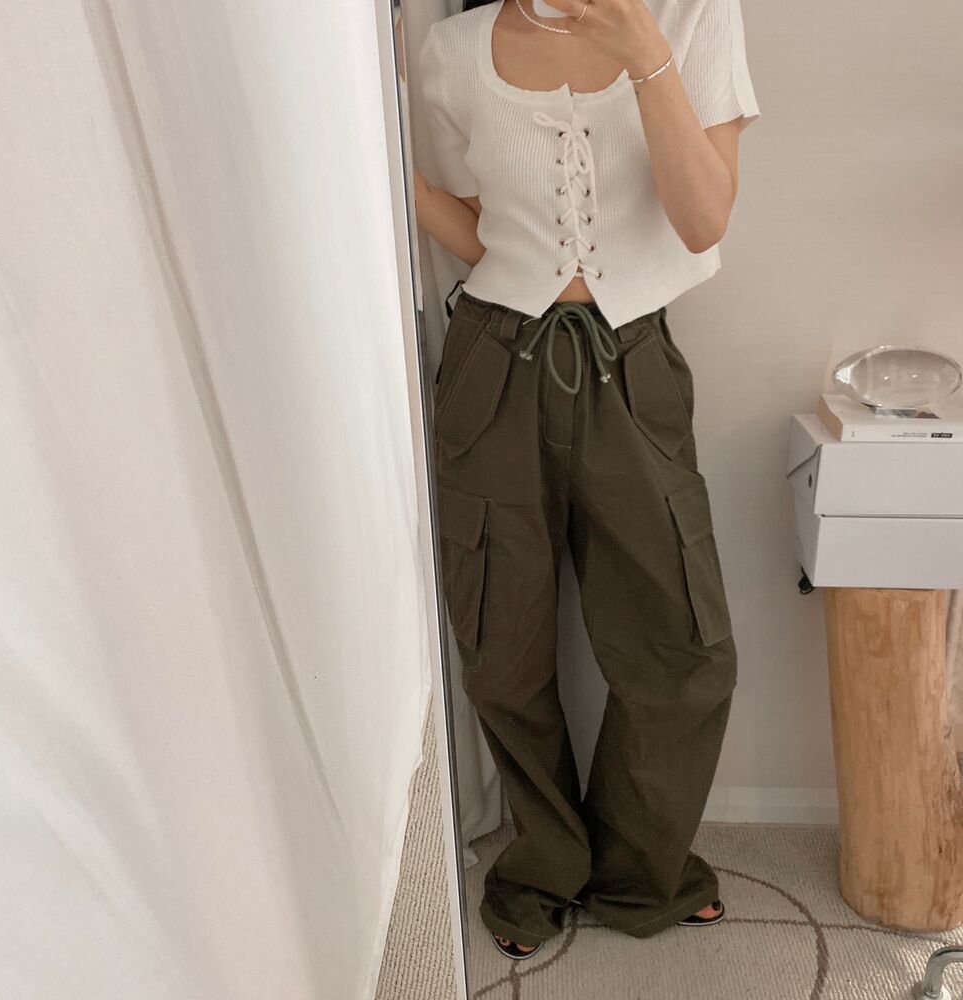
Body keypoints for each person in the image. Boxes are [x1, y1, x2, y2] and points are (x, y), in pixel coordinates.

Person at [414, 0, 759, 960]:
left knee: (684, 648)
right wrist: (397, 184)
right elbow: (479, 229)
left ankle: (641, 870)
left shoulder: (692, 17)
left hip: (631, 363)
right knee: (501, 645)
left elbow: (702, 220)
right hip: (493, 362)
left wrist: (644, 52)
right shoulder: (451, 48)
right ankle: (541, 868)